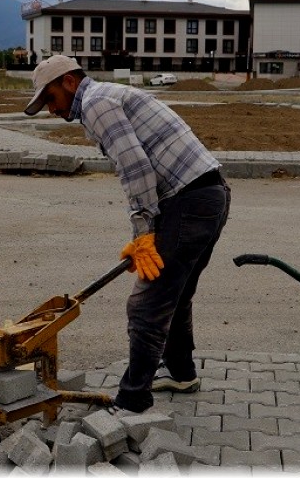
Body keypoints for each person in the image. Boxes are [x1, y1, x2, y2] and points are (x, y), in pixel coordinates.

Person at [24, 55, 230, 413]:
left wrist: (144, 233)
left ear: (70, 81)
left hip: (189, 200)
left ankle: (133, 400)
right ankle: (180, 372)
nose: (51, 110)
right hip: (209, 196)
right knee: (175, 294)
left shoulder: (95, 103)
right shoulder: (108, 95)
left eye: (51, 98)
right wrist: (147, 233)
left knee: (146, 306)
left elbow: (135, 168)